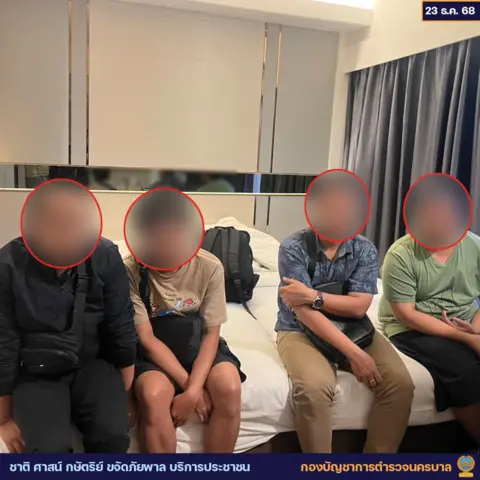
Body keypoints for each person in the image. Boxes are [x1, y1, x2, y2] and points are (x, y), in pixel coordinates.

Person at [275, 177, 414, 453]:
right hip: (299, 329)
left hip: (353, 326)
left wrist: (314, 296)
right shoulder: (293, 247)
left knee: (401, 384)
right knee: (313, 389)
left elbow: (359, 306)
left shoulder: (364, 249)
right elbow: (303, 313)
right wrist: (355, 354)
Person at [0, 181, 137, 453]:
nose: (64, 233)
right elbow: (4, 343)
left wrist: (127, 396)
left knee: (112, 434)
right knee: (49, 448)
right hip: (37, 371)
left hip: (93, 364)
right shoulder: (8, 264)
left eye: (73, 223)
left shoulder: (105, 256)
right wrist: (3, 418)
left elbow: (121, 329)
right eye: (54, 223)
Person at [124, 189, 246, 453]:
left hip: (198, 344)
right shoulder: (130, 270)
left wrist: (193, 391)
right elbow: (147, 339)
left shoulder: (209, 266)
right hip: (155, 352)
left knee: (229, 387)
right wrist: (190, 388)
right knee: (152, 395)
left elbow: (211, 334)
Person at [379, 187, 480, 445]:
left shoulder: (474, 245)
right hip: (413, 327)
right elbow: (406, 315)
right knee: (465, 368)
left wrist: (476, 330)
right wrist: (467, 339)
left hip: (467, 319)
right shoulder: (400, 254)